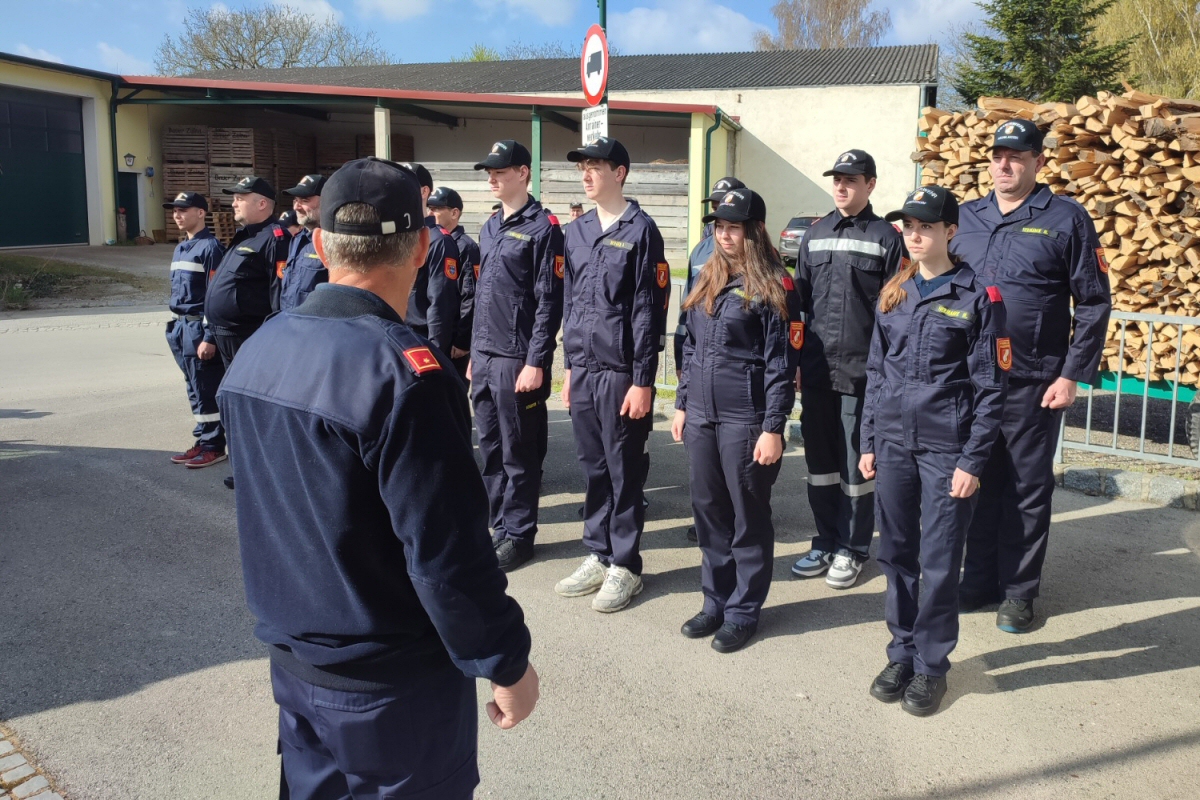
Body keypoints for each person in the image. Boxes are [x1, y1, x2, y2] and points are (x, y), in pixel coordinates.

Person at [217, 157, 540, 799]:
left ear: (318, 242)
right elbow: (446, 556)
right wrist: (506, 660)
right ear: (423, 246)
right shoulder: (405, 377)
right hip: (394, 690)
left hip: (296, 667)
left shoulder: (260, 348)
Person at [950, 118, 1112, 632]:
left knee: (1025, 487)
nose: (1004, 164)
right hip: (971, 381)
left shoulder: (1066, 218)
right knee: (975, 481)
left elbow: (1092, 302)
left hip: (1033, 381)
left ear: (1039, 161)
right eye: (998, 154)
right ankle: (976, 580)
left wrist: (1072, 374)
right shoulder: (965, 217)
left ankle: (1018, 593)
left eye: (1017, 156)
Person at [860, 186, 1008, 716]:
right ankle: (900, 652)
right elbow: (876, 373)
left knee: (940, 562)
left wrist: (972, 460)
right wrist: (869, 441)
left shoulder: (977, 298)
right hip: (895, 444)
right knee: (896, 555)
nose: (915, 234)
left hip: (946, 449)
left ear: (950, 231)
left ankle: (930, 666)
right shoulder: (893, 293)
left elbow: (992, 389)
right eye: (908, 226)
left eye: (926, 225)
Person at [671, 188, 801, 653]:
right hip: (703, 416)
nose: (725, 235)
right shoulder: (708, 276)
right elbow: (691, 345)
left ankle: (744, 611)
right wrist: (683, 403)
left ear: (755, 230)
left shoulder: (774, 288)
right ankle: (715, 601)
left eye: (734, 227)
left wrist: (773, 427)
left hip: (746, 419)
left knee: (747, 517)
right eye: (719, 227)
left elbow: (781, 364)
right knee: (708, 512)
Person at [557, 136, 669, 612]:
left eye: (596, 166)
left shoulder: (642, 231)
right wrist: (567, 366)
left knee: (624, 469)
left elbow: (649, 310)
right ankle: (598, 554)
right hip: (583, 368)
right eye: (583, 166)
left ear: (619, 173)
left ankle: (625, 564)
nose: (586, 173)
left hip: (621, 372)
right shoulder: (577, 231)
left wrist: (643, 380)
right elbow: (569, 300)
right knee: (593, 466)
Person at [791, 150, 906, 589]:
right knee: (820, 463)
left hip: (862, 374)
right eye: (837, 180)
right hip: (817, 370)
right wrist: (797, 362)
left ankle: (853, 548)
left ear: (870, 184)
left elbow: (893, 312)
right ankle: (824, 539)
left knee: (857, 467)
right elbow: (798, 307)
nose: (841, 187)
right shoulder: (814, 234)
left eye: (852, 180)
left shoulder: (886, 238)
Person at [468, 140, 564, 572]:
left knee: (519, 451)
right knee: (489, 448)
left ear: (523, 173)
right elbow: (480, 295)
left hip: (516, 358)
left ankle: (520, 535)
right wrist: (474, 352)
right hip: (486, 355)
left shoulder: (543, 228)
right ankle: (498, 525)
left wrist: (536, 361)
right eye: (489, 171)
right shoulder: (490, 226)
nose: (492, 177)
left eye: (500, 171)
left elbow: (548, 302)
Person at [673, 176, 746, 544]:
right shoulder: (701, 253)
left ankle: (734, 522)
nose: (720, 215)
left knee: (734, 466)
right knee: (703, 466)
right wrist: (681, 355)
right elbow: (689, 313)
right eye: (716, 208)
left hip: (736, 385)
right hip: (700, 365)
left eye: (727, 209)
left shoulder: (756, 266)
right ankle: (709, 520)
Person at [162, 191, 227, 469]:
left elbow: (215, 296)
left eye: (184, 210)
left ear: (201, 213)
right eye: (174, 210)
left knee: (205, 387)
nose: (177, 215)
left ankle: (214, 446)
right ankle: (202, 440)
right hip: (179, 327)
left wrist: (209, 336)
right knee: (193, 388)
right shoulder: (181, 248)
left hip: (197, 329)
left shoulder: (210, 247)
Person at [204, 175, 291, 368]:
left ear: (261, 204)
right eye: (234, 198)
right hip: (223, 335)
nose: (233, 204)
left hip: (247, 337)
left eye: (239, 199)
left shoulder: (275, 238)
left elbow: (279, 294)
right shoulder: (244, 236)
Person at [401, 162, 461, 354]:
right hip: (397, 336)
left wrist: (435, 351)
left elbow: (440, 303)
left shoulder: (438, 240)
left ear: (424, 191)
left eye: (405, 184)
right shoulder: (396, 235)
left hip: (422, 340)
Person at [427, 186, 479, 381]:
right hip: (436, 334)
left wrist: (463, 341)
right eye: (428, 208)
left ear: (454, 213)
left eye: (436, 209)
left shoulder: (466, 247)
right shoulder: (432, 241)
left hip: (454, 342)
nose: (430, 213)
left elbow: (471, 295)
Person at [279, 174, 328, 311]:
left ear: (326, 202)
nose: (296, 207)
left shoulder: (333, 241)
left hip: (316, 327)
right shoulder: (298, 239)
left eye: (304, 201)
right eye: (295, 200)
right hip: (289, 323)